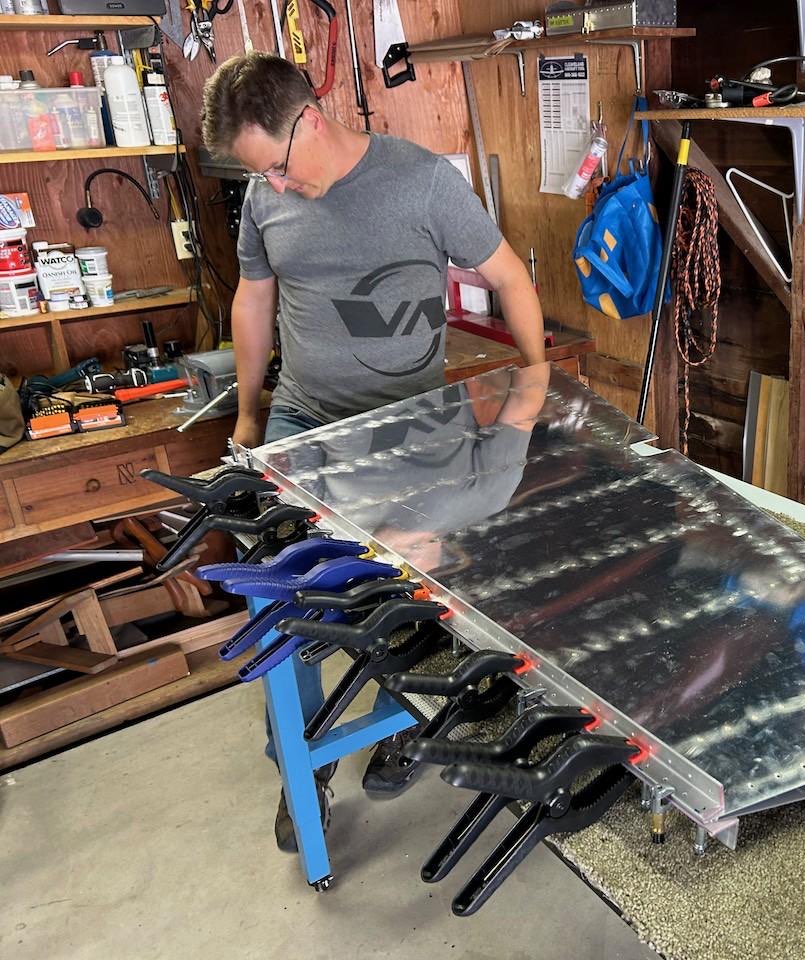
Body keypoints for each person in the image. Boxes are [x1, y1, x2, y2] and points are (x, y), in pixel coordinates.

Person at [200, 52, 547, 852]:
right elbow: (254, 297)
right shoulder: (267, 195)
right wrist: (249, 416)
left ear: (310, 120)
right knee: (287, 597)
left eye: (276, 167)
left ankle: (410, 718)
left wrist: (535, 378)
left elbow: (508, 277)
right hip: (307, 423)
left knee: (416, 584)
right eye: (259, 176)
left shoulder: (421, 182)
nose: (272, 186)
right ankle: (303, 762)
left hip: (413, 427)